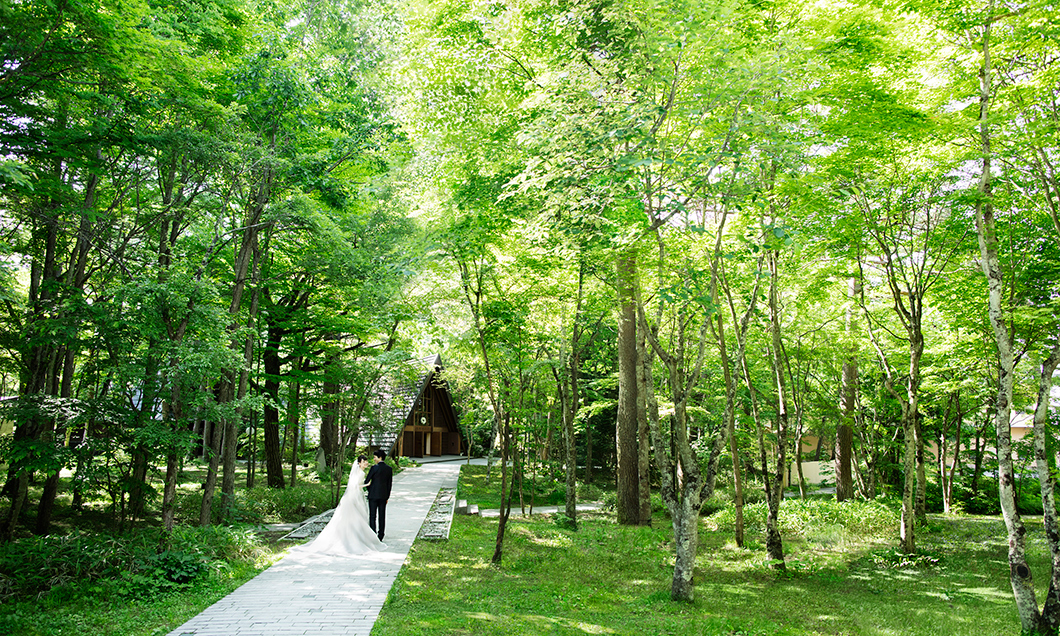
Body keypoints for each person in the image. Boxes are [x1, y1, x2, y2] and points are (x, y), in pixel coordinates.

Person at [299, 456, 384, 555]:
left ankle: (354, 537)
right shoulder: (360, 473)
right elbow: (354, 486)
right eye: (364, 461)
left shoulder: (360, 472)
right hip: (354, 497)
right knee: (356, 517)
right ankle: (353, 539)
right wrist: (367, 485)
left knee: (354, 518)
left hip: (355, 496)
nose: (366, 463)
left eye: (366, 461)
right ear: (359, 463)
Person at [364, 449, 393, 541]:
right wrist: (387, 496)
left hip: (373, 495)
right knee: (382, 515)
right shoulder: (389, 469)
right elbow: (389, 484)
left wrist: (371, 490)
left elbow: (367, 481)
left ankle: (373, 533)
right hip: (383, 496)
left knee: (372, 515)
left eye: (375, 457)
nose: (374, 459)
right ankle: (381, 535)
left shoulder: (374, 468)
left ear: (380, 457)